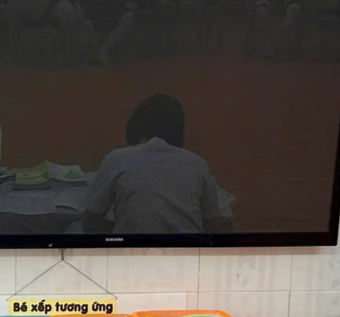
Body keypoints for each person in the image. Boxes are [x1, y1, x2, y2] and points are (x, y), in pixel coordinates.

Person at [81, 93, 236, 236]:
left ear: (135, 124)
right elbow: (215, 224)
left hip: (132, 250)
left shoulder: (117, 159)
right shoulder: (197, 163)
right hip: (187, 251)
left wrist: (122, 231)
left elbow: (90, 221)